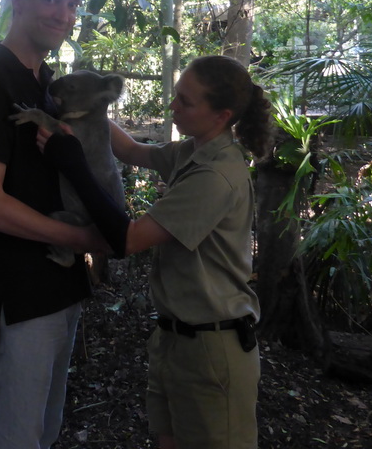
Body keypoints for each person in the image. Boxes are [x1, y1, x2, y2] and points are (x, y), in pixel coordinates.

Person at [39, 54, 270, 449]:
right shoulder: (191, 153)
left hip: (214, 349)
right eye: (176, 95)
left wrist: (74, 165)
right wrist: (86, 104)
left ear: (221, 115)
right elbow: (129, 151)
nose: (173, 107)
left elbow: (127, 241)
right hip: (175, 339)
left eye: (186, 101)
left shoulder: (215, 177)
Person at [0, 0, 106, 449]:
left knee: (47, 426)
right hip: (20, 292)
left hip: (62, 284)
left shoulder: (47, 84)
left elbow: (107, 137)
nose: (63, 14)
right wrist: (82, 236)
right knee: (17, 436)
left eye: (71, 4)